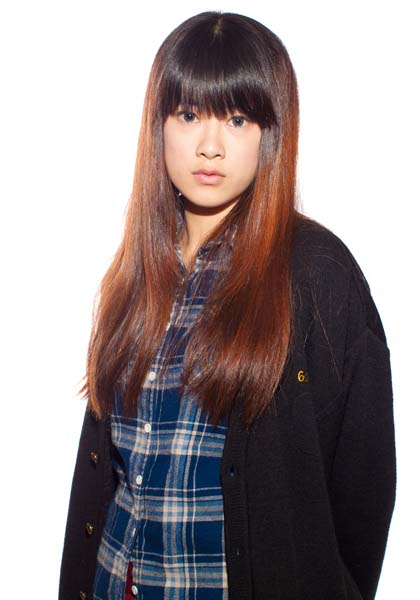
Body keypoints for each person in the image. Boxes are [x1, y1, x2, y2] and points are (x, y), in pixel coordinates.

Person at [58, 10, 397, 600]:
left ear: (271, 132)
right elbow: (107, 478)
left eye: (237, 119)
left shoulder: (317, 274)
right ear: (160, 125)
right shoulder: (138, 273)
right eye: (189, 115)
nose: (210, 146)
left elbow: (363, 488)